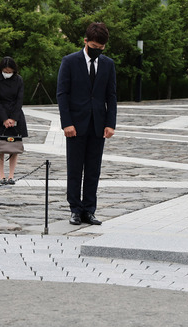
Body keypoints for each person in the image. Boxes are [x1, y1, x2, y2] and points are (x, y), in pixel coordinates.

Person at [56, 22, 117, 226]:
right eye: (94, 46)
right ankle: (75, 209)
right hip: (75, 125)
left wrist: (111, 123)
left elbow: (111, 95)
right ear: (85, 41)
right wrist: (67, 123)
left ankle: (89, 210)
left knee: (93, 170)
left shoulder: (108, 64)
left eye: (101, 48)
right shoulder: (70, 61)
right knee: (75, 169)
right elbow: (62, 94)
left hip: (98, 125)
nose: (97, 51)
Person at [0, 56, 28, 185]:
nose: (8, 73)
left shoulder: (19, 80)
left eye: (10, 71)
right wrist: (4, 118)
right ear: (1, 70)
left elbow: (19, 100)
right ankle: (2, 175)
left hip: (15, 115)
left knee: (13, 147)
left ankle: (11, 176)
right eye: (5, 71)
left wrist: (13, 118)